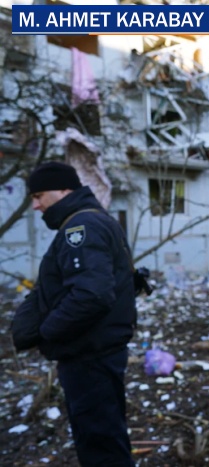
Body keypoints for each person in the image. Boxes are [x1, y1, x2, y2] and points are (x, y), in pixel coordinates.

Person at [11, 161, 136, 466]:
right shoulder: (91, 221)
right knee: (104, 437)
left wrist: (47, 332)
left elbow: (91, 294)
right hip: (95, 352)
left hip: (88, 356)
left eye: (40, 195)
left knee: (99, 445)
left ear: (65, 190)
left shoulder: (82, 227)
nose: (36, 205)